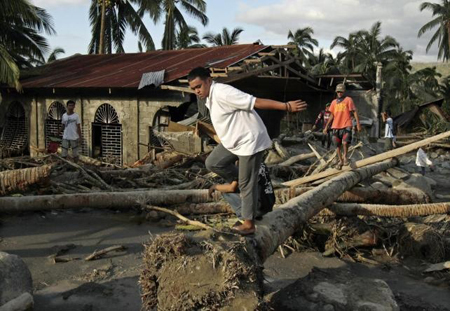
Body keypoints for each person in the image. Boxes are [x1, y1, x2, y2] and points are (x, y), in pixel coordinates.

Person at [188, 67, 307, 235]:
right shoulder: (209, 98)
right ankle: (235, 183)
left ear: (208, 80)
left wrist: (286, 106)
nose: (197, 91)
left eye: (198, 86)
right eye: (193, 89)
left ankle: (249, 223)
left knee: (246, 183)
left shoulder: (223, 92)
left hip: (249, 141)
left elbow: (255, 102)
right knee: (213, 162)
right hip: (233, 142)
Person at [323, 83, 361, 169]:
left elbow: (354, 111)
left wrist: (358, 124)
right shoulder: (333, 102)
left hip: (346, 124)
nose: (340, 93)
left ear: (344, 92)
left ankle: (345, 157)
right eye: (338, 91)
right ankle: (340, 160)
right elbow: (332, 115)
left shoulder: (348, 100)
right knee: (337, 144)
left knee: (345, 142)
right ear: (336, 92)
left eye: (341, 91)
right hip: (336, 126)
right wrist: (326, 126)